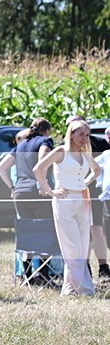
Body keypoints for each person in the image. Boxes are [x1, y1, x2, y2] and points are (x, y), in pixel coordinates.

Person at [33, 119, 101, 296]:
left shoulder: (85, 153)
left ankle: (70, 289)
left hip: (83, 200)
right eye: (81, 134)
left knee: (83, 245)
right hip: (64, 200)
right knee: (72, 246)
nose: (84, 139)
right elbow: (38, 169)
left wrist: (84, 184)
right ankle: (85, 288)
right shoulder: (61, 151)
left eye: (87, 135)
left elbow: (97, 170)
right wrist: (50, 191)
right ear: (71, 134)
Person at [0, 118, 55, 283]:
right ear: (45, 131)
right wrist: (42, 183)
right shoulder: (45, 141)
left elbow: (2, 167)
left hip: (20, 193)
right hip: (39, 193)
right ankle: (44, 274)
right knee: (44, 232)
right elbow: (43, 159)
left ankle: (28, 274)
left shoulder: (20, 144)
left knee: (27, 233)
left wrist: (12, 187)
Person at [65, 114, 110, 279]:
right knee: (79, 230)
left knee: (96, 229)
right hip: (72, 193)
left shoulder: (99, 143)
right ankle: (84, 265)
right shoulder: (63, 148)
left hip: (93, 192)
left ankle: (103, 266)